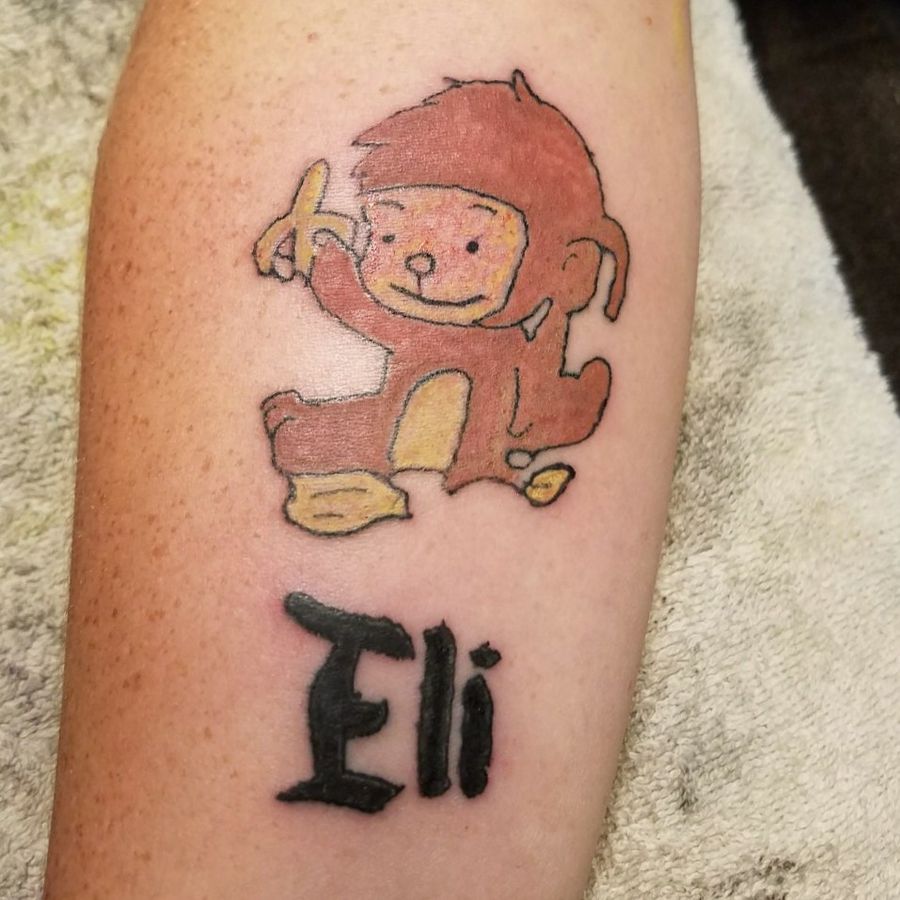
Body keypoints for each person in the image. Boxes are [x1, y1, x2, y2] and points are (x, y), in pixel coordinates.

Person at [44, 2, 700, 897]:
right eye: (390, 233)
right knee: (326, 434)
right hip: (404, 433)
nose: (421, 262)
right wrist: (319, 252)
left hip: (477, 441)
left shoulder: (524, 333)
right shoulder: (399, 316)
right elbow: (356, 301)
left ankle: (483, 472)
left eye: (471, 241)